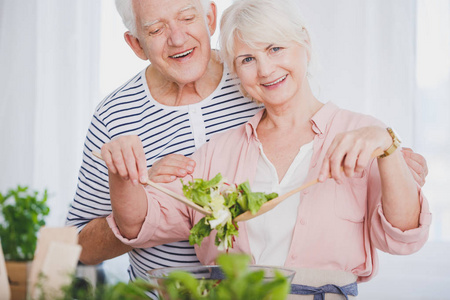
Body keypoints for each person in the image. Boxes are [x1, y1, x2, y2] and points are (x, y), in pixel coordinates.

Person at [66, 0, 429, 297]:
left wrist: (390, 150)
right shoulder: (214, 151)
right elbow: (141, 223)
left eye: (275, 48)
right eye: (247, 60)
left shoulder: (358, 132)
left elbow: (404, 234)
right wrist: (130, 177)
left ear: (303, 43)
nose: (266, 68)